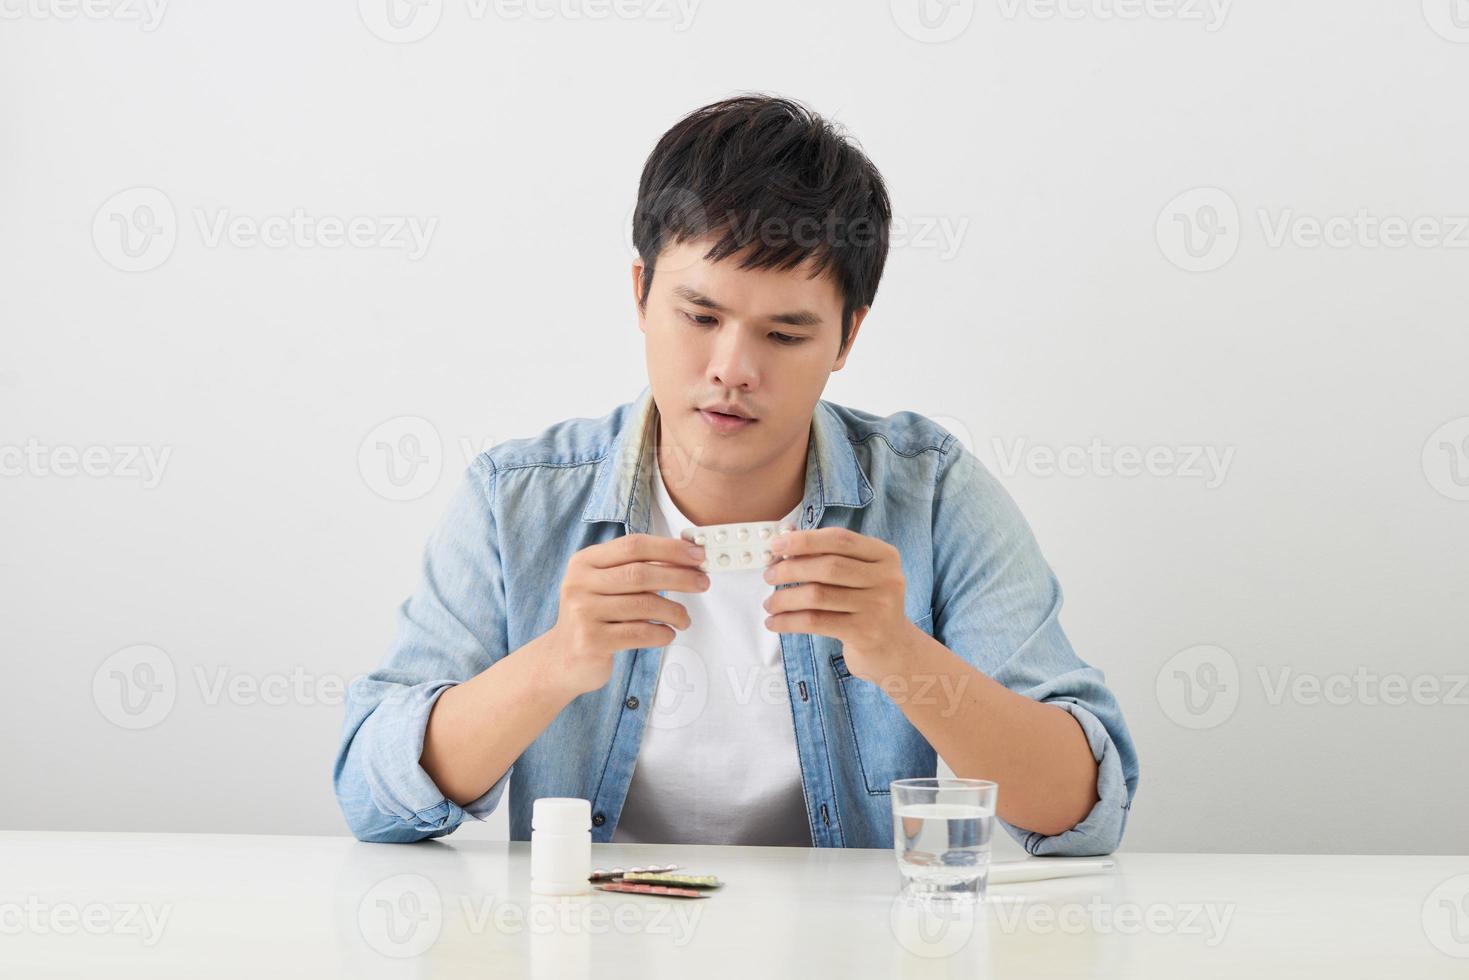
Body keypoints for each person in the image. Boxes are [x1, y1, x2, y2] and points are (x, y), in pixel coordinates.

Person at [333, 93, 1139, 853]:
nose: (732, 369)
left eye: (785, 336)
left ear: (846, 339)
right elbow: (371, 798)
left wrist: (899, 653)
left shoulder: (930, 494)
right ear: (641, 293)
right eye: (699, 316)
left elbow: (1080, 812)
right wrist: (550, 664)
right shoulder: (518, 499)